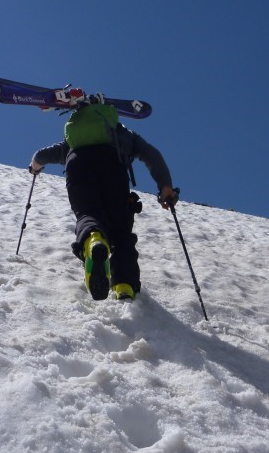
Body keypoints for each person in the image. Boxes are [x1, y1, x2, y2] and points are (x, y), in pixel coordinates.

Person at [29, 96, 176, 301]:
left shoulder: (72, 140)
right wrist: (165, 187)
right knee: (121, 230)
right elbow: (152, 155)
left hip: (77, 165)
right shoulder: (122, 133)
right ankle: (124, 284)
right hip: (113, 165)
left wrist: (35, 167)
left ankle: (93, 239)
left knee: (88, 213)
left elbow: (40, 155)